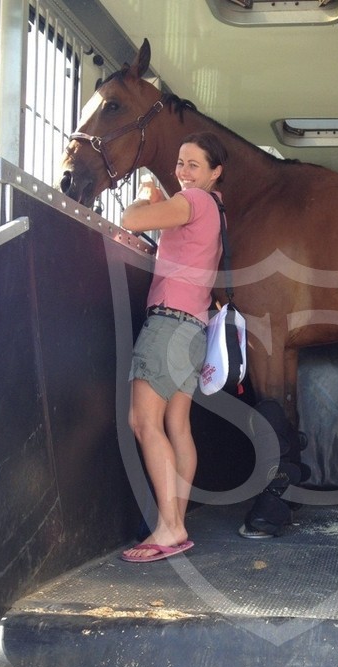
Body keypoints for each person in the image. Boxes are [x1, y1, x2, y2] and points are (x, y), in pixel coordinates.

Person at [120, 132, 228, 562]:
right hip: (194, 329)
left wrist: (145, 199)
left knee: (144, 423)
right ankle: (175, 522)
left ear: (215, 172)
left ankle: (169, 527)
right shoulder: (217, 210)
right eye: (180, 163)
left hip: (168, 323)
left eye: (193, 165)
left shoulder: (195, 202)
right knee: (177, 426)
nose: (183, 172)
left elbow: (131, 221)